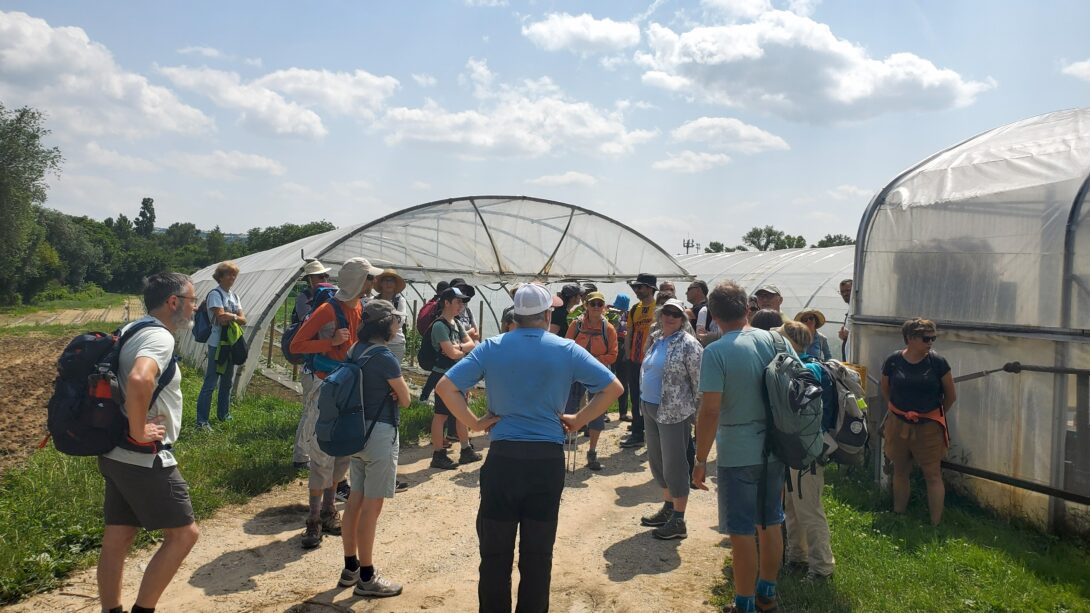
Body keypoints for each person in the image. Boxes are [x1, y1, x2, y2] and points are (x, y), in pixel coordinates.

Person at [436, 283, 623, 613]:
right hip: (546, 461)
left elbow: (446, 386)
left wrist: (476, 423)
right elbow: (613, 388)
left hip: (503, 459)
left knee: (494, 554)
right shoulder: (566, 349)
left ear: (516, 316)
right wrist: (578, 420)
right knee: (538, 555)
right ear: (549, 313)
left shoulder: (492, 347)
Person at [97, 272, 200, 613]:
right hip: (144, 458)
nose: (195, 307)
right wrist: (140, 429)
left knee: (118, 537)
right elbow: (140, 378)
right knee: (184, 536)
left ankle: (111, 610)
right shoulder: (160, 338)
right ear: (174, 302)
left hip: (115, 451)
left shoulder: (133, 328)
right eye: (192, 300)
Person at [692, 281, 786, 613]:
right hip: (775, 447)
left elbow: (711, 410)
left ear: (714, 315)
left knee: (742, 531)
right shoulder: (775, 340)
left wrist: (700, 458)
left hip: (737, 451)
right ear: (748, 308)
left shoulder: (716, 351)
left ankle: (744, 604)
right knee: (771, 522)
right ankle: (767, 594)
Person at [289, 257, 381, 549]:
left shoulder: (360, 309)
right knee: (321, 453)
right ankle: (313, 520)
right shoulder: (328, 310)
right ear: (358, 281)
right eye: (369, 279)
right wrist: (330, 342)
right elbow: (296, 345)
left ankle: (329, 511)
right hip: (326, 387)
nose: (373, 284)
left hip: (350, 387)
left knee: (343, 450)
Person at [337, 300, 412, 598]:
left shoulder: (354, 350)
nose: (398, 326)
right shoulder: (385, 357)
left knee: (355, 499)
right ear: (385, 325)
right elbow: (405, 399)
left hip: (355, 433)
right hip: (379, 434)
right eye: (396, 321)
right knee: (372, 505)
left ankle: (350, 567)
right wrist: (394, 393)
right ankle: (368, 577)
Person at [638, 298, 703, 540]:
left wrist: (697, 415)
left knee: (675, 464)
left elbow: (699, 382)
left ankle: (679, 519)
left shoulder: (689, 344)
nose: (670, 317)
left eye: (675, 314)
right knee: (657, 461)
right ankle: (668, 508)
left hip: (674, 411)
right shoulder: (656, 337)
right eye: (667, 312)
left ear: (683, 319)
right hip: (651, 407)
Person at [881, 318, 957, 525]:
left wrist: (930, 416)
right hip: (898, 424)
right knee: (900, 469)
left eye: (933, 337)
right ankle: (899, 514)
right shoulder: (893, 361)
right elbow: (886, 389)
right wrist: (899, 412)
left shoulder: (938, 363)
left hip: (928, 427)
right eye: (926, 338)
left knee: (932, 473)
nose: (931, 342)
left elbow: (950, 396)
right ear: (910, 339)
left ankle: (935, 523)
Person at [777, 320, 836, 582]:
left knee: (809, 507)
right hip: (797, 448)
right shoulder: (800, 366)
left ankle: (821, 568)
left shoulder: (805, 370)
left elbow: (800, 413)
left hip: (807, 450)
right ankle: (797, 557)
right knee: (792, 504)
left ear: (790, 341)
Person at [428, 286, 481, 469]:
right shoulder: (439, 325)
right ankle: (438, 454)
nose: (461, 305)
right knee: (441, 415)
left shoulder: (456, 323)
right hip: (443, 376)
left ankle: (465, 450)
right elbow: (452, 353)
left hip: (457, 375)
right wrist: (461, 348)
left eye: (462, 302)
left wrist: (458, 347)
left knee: (461, 414)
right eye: (458, 301)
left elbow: (471, 345)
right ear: (447, 302)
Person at [565, 291, 618, 471]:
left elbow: (613, 354)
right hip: (576, 373)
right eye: (593, 303)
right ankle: (564, 447)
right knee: (569, 408)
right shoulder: (576, 324)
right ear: (586, 305)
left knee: (596, 412)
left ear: (603, 307)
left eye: (599, 304)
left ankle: (592, 452)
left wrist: (594, 362)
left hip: (597, 373)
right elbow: (566, 347)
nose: (596, 307)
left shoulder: (608, 328)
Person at [291, 259, 336, 469]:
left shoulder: (320, 306)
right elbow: (301, 342)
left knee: (315, 411)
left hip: (318, 368)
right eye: (320, 277)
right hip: (312, 369)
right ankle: (301, 456)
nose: (324, 280)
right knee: (311, 411)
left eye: (325, 276)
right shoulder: (308, 304)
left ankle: (307, 453)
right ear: (310, 279)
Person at [196, 261, 246, 428]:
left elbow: (243, 320)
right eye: (229, 274)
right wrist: (234, 317)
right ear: (220, 277)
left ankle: (223, 414)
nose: (233, 278)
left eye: (234, 275)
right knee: (211, 381)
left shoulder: (234, 296)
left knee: (227, 382)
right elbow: (221, 318)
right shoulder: (215, 294)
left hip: (229, 343)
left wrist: (231, 316)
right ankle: (202, 420)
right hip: (217, 344)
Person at [621, 273, 657, 449]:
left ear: (650, 289)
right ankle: (637, 433)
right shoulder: (635, 309)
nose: (636, 290)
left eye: (639, 287)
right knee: (635, 397)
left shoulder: (659, 308)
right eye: (635, 287)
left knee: (653, 397)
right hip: (635, 361)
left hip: (653, 362)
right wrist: (627, 355)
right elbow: (629, 332)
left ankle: (653, 432)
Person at [374, 269, 409, 364]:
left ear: (395, 284)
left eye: (391, 280)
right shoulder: (374, 300)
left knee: (394, 372)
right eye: (386, 280)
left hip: (396, 343)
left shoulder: (399, 300)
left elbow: (400, 321)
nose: (388, 283)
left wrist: (382, 322)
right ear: (381, 283)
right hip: (378, 342)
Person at [611, 294, 632, 422]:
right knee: (608, 380)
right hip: (612, 347)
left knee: (623, 381)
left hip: (622, 347)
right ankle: (604, 413)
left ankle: (622, 413)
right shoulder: (609, 313)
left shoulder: (628, 315)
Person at [450, 277, 480, 342]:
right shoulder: (450, 312)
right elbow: (453, 338)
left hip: (470, 349)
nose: (462, 293)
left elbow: (477, 335)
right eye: (459, 290)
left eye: (464, 290)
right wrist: (471, 331)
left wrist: (463, 336)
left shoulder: (468, 311)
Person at [838, 279, 853, 360]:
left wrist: (849, 335)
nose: (845, 294)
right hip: (848, 358)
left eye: (848, 290)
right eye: (842, 292)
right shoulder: (850, 310)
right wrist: (844, 336)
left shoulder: (861, 310)